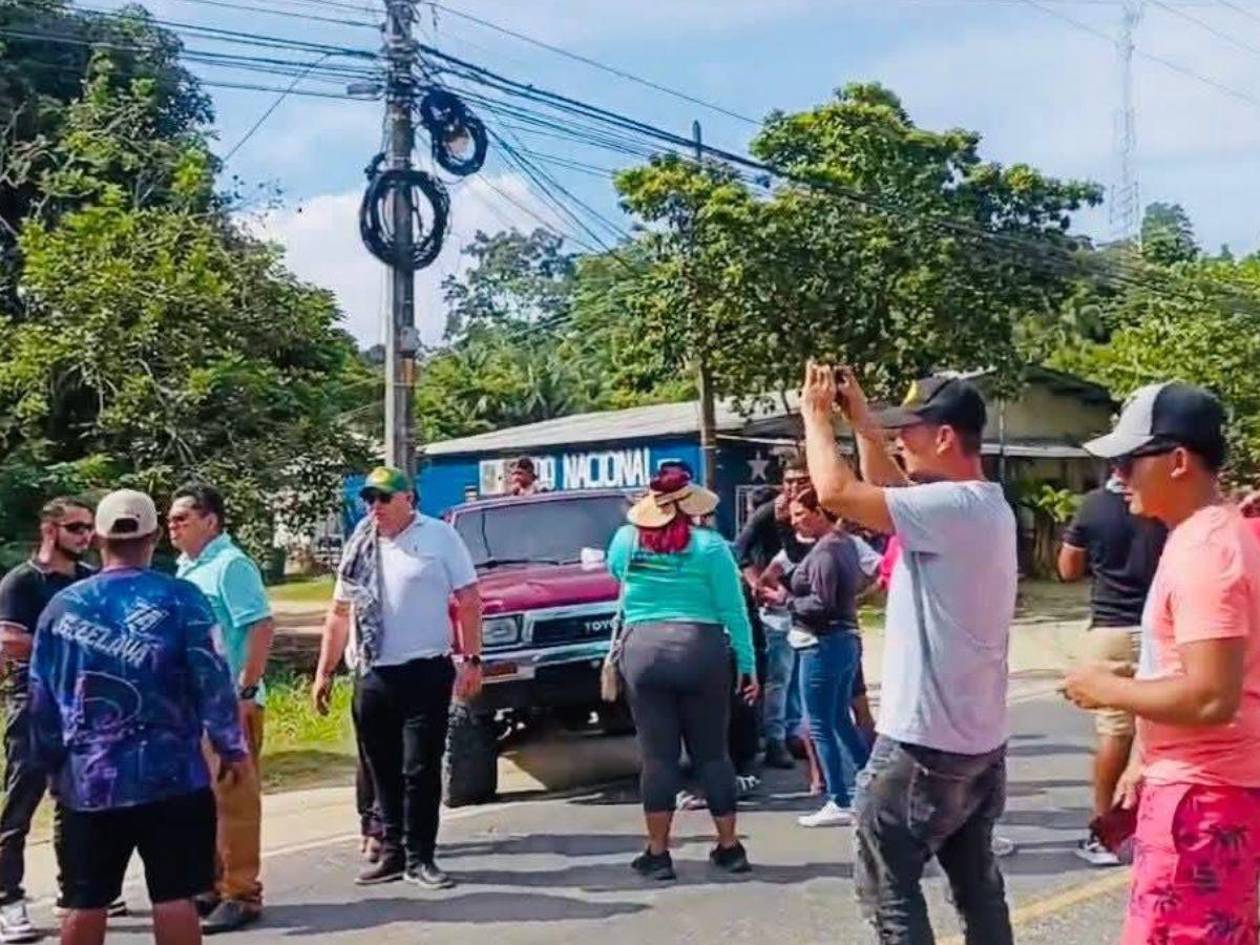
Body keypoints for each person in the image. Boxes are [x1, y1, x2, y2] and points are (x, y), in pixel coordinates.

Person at [801, 363, 1017, 945]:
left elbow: (837, 494)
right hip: (978, 742)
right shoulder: (979, 505)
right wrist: (864, 422)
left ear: (945, 437)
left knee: (890, 892)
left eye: (910, 430)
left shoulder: (954, 508)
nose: (900, 440)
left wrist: (814, 418)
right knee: (978, 889)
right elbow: (891, 494)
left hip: (923, 744)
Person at [1063, 382, 1260, 945]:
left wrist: (1105, 688)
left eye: (1128, 461)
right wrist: (1143, 754)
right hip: (1207, 791)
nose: (1118, 477)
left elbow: (1210, 697)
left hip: (1201, 803)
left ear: (1178, 461)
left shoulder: (1205, 551)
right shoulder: (1213, 535)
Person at [29, 489, 250, 945]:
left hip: (88, 783)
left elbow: (41, 699)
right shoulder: (182, 598)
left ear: (98, 540)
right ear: (153, 537)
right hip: (173, 779)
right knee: (174, 897)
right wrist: (231, 747)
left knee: (85, 899)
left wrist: (51, 767)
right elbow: (213, 680)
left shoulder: (61, 609)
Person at [311, 466, 484, 889]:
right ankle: (391, 850)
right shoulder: (360, 544)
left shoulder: (440, 537)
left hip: (425, 669)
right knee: (381, 767)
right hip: (372, 672)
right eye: (369, 499)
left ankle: (421, 855)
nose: (375, 508)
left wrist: (473, 658)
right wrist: (324, 671)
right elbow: (338, 613)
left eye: (384, 498)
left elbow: (468, 599)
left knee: (419, 767)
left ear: (408, 499)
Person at [606, 468, 759, 880]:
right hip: (702, 648)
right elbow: (734, 611)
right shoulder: (711, 548)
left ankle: (658, 853)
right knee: (712, 754)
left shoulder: (626, 540)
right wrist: (747, 663)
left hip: (643, 651)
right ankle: (729, 847)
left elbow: (616, 574)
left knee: (658, 758)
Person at [170, 484, 275, 933]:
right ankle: (211, 884)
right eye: (171, 519)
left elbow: (261, 625)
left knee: (234, 799)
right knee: (202, 801)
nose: (172, 525)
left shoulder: (231, 565)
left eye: (182, 518)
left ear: (211, 521)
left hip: (230, 704)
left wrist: (246, 692)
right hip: (194, 707)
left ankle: (241, 893)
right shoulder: (186, 567)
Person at [0, 499, 100, 943]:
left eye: (89, 529)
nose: (85, 537)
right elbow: (9, 641)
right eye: (76, 527)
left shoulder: (88, 581)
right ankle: (7, 900)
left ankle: (74, 890)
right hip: (32, 702)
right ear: (49, 529)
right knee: (20, 802)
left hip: (78, 703)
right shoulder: (20, 583)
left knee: (75, 801)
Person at [1058, 472, 1166, 866]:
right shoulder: (1166, 505)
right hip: (1161, 625)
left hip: (1111, 626)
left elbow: (1067, 569)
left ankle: (1105, 831)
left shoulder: (1093, 505)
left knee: (1114, 732)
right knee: (1159, 730)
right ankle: (1152, 828)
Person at [772, 491, 871, 828]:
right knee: (839, 719)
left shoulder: (828, 551)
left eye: (801, 513)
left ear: (820, 513)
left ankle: (839, 798)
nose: (795, 519)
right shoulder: (842, 544)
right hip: (842, 640)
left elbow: (822, 604)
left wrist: (786, 601)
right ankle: (867, 782)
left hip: (822, 642)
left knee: (820, 725)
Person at [734, 456, 813, 768]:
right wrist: (757, 584)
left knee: (798, 674)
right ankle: (776, 739)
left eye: (801, 480)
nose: (794, 487)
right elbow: (738, 549)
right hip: (775, 603)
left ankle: (796, 733)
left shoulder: (816, 507)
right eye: (789, 481)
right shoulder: (771, 511)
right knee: (780, 673)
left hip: (805, 599)